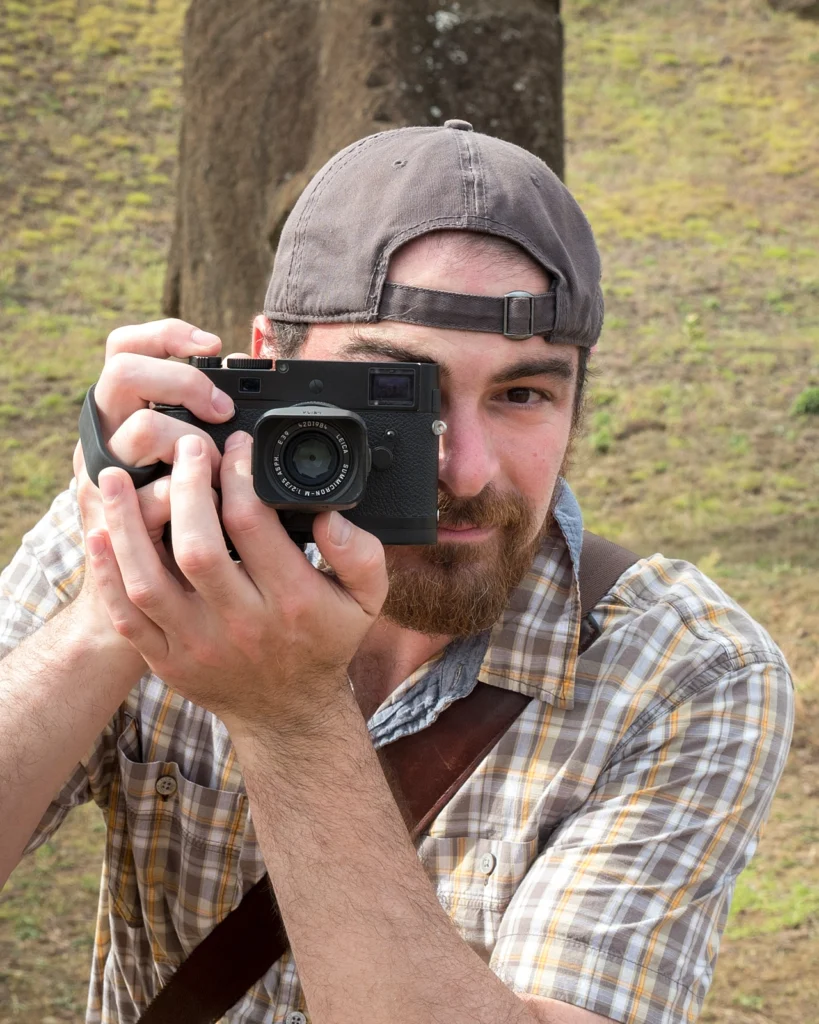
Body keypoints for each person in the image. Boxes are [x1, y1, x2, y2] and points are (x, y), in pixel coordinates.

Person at [0, 121, 793, 1024]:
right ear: (267, 369)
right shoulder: (145, 533)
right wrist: (117, 611)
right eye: (394, 394)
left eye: (523, 394)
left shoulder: (682, 673)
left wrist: (292, 718)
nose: (465, 470)